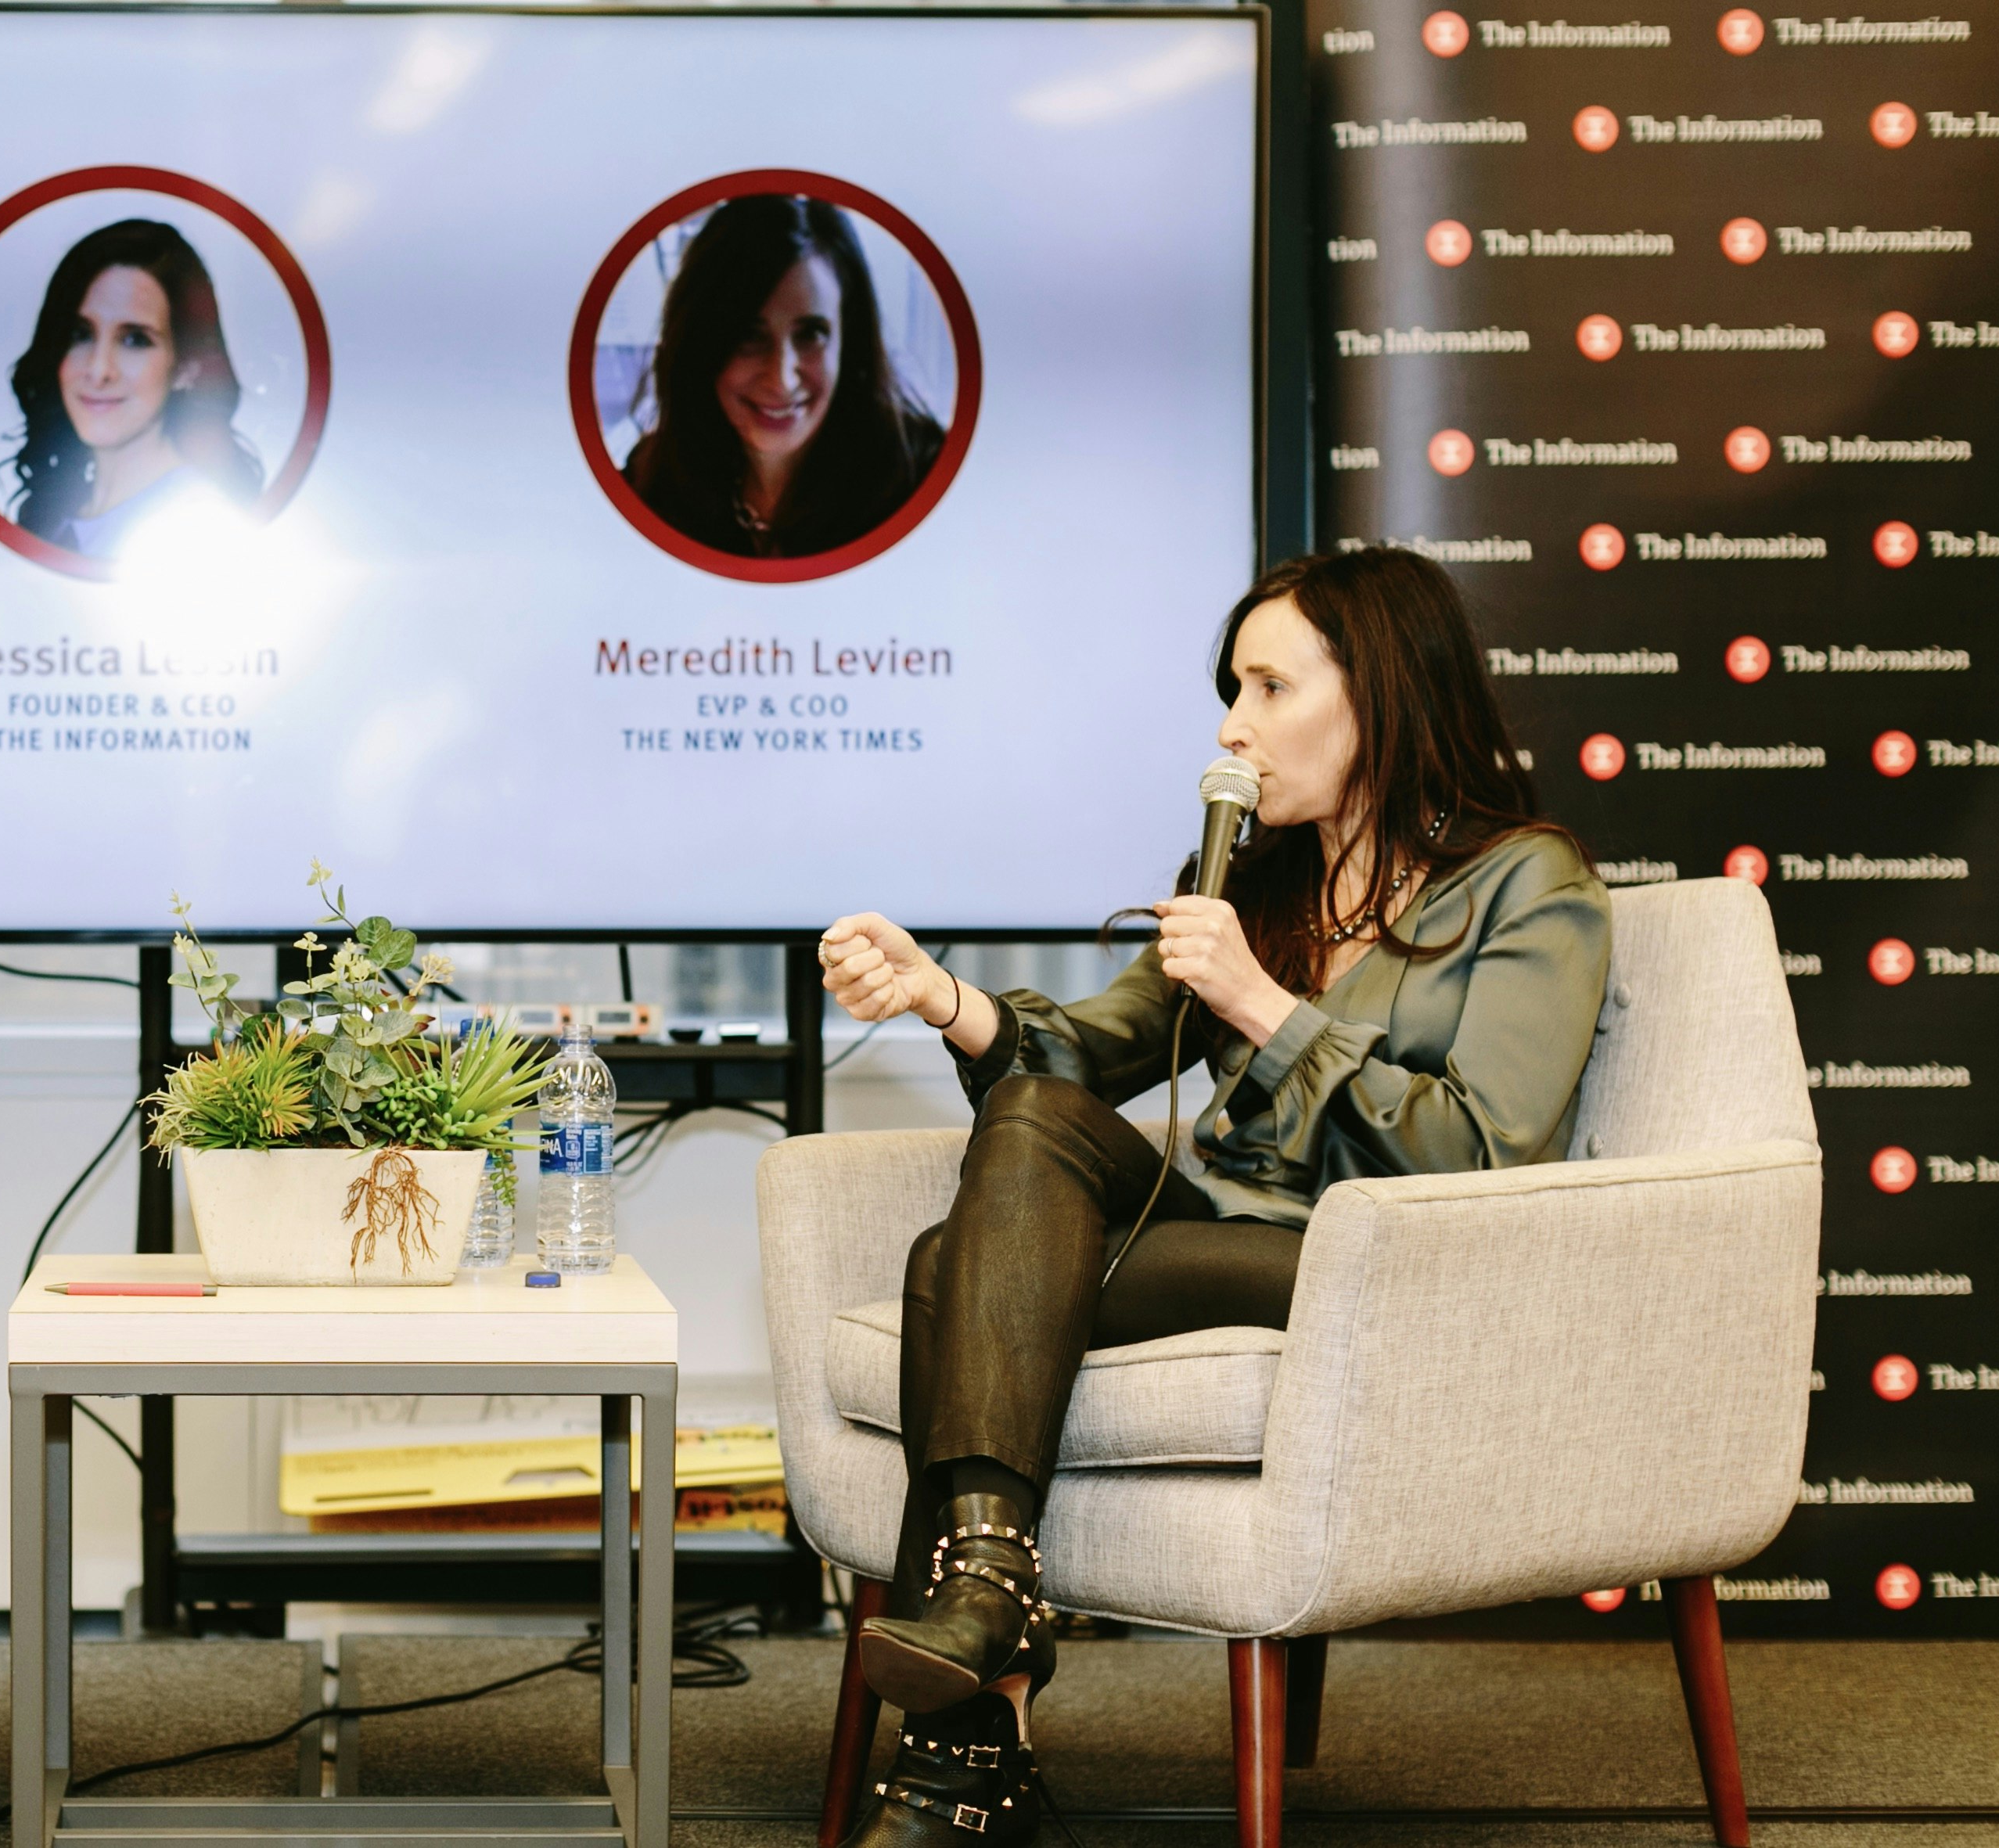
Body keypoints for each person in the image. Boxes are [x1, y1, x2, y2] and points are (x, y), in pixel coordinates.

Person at [814, 548, 1609, 1846]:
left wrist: (1261, 1003)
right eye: (1229, 688)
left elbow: (1479, 1151)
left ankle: (969, 1750)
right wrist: (939, 994)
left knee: (944, 1264)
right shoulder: (1251, 873)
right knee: (1023, 1131)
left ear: (1381, 695)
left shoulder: (1532, 883)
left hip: (1379, 1263)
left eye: (1267, 685)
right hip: (1221, 1239)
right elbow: (1080, 1058)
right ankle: (992, 1607)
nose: (1230, 727)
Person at [620, 194, 944, 561]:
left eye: (811, 334)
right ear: (701, 342)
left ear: (847, 339)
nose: (782, 381)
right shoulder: (653, 481)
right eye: (748, 336)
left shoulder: (927, 480)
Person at [2, 218, 264, 558]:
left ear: (186, 367)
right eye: (80, 334)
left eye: (134, 340)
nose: (99, 371)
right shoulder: (53, 519)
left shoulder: (198, 531)